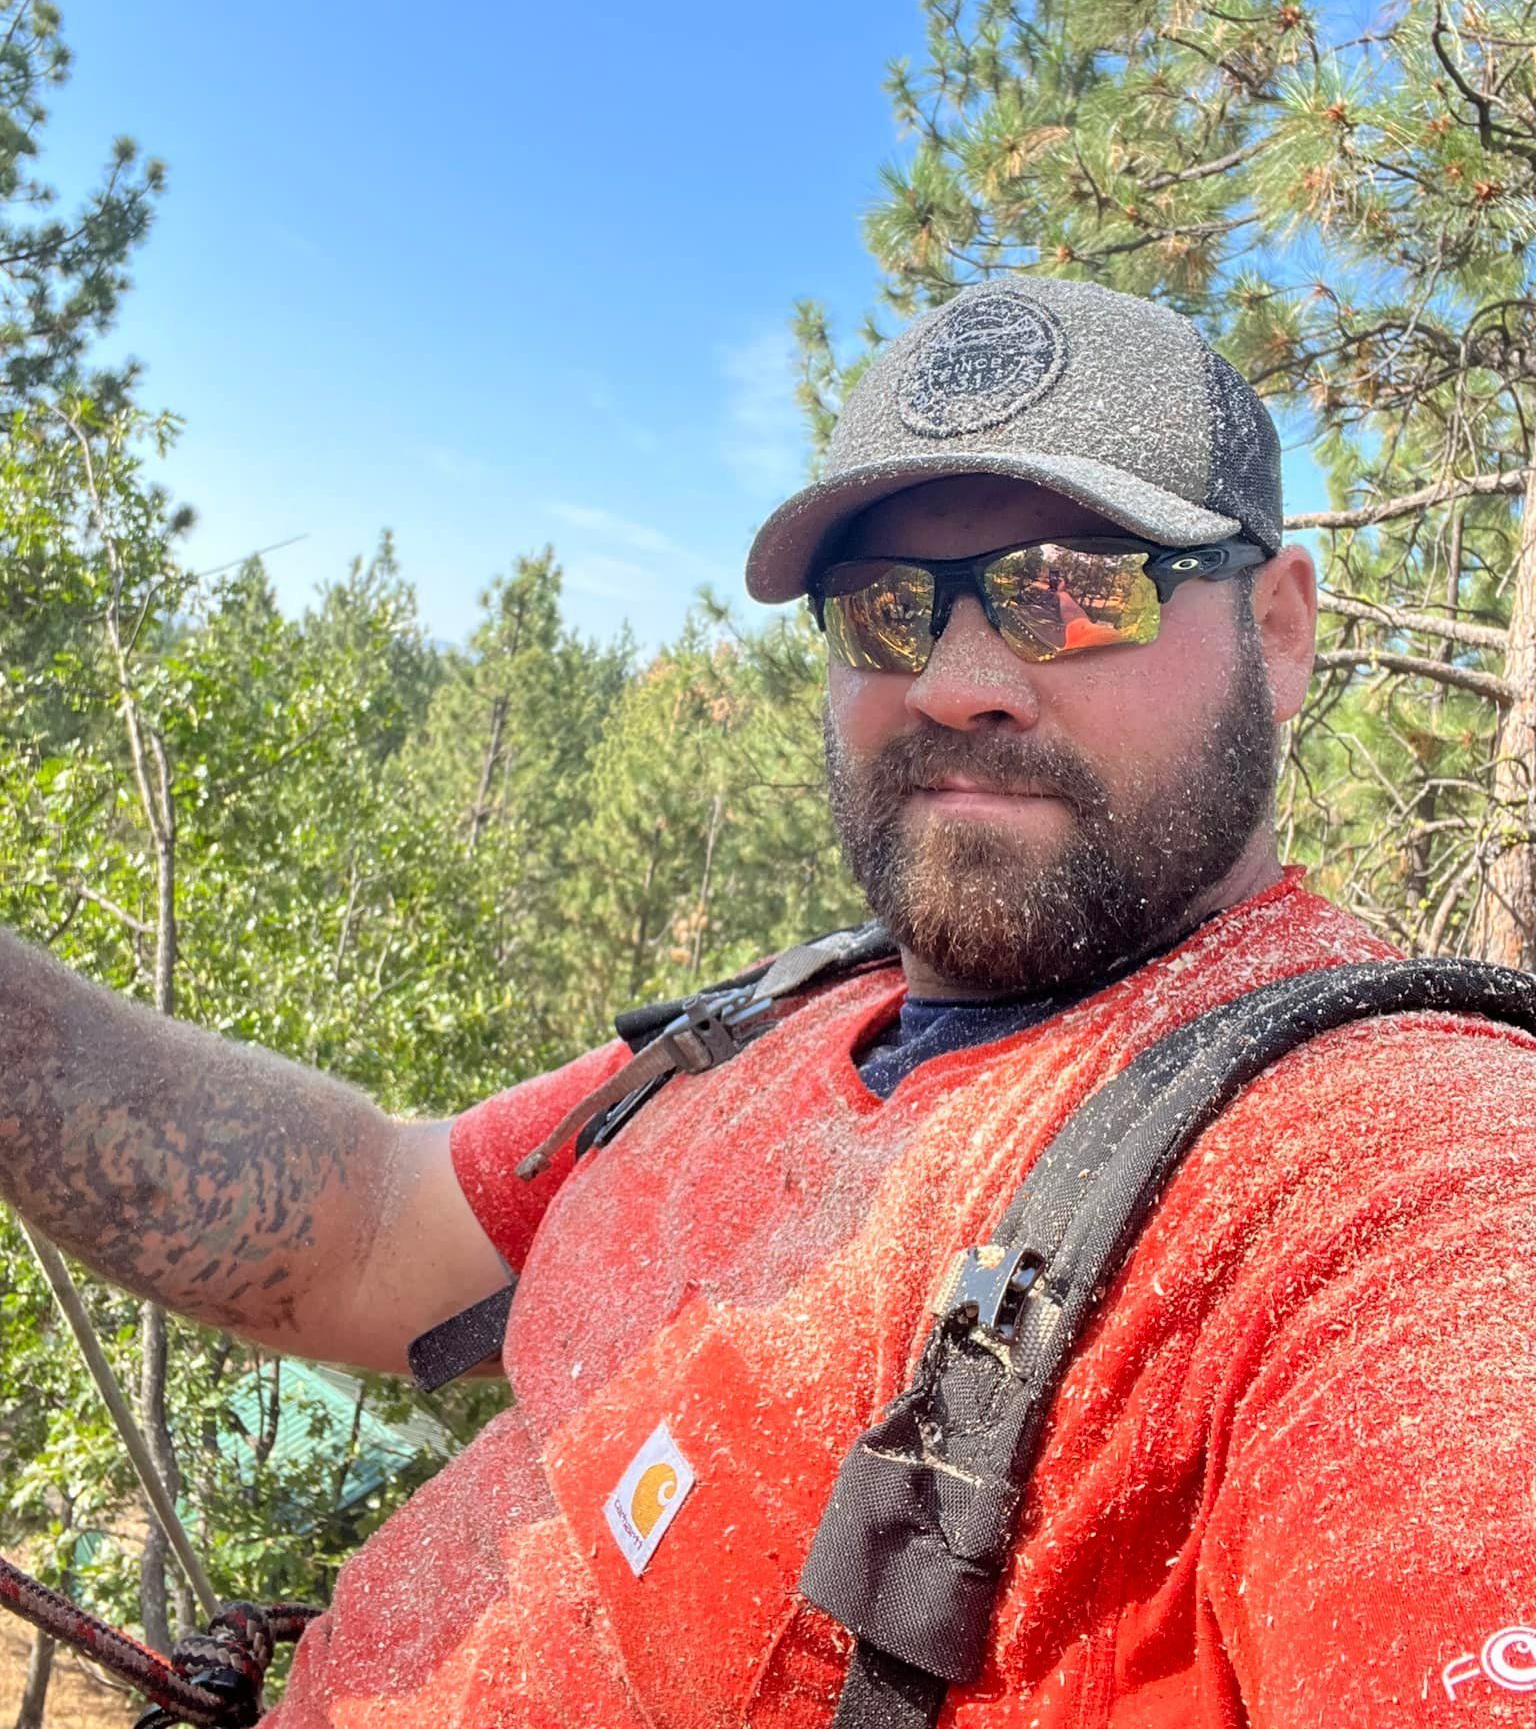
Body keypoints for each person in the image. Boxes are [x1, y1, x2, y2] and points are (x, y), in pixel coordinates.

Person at [2, 277, 1533, 1728]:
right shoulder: (779, 1019)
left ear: (1275, 631)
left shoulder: (1388, 1180)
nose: (954, 680)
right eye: (886, 610)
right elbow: (361, 1231)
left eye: (1067, 591)